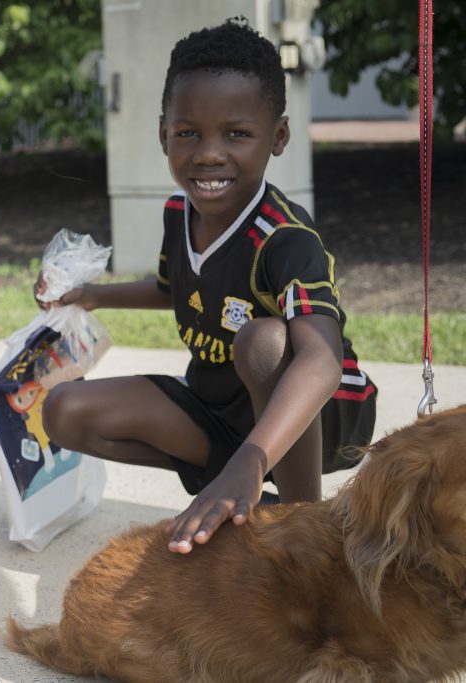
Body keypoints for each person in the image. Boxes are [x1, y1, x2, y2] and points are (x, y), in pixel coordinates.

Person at [37, 18, 376, 554]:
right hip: (221, 407)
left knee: (263, 341)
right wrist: (92, 294)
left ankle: (304, 528)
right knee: (64, 411)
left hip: (324, 415)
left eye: (237, 134)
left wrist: (252, 459)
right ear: (163, 134)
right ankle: (243, 489)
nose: (209, 153)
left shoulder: (284, 237)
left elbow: (321, 362)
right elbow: (173, 287)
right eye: (188, 132)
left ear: (278, 137)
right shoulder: (181, 212)